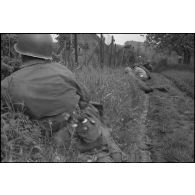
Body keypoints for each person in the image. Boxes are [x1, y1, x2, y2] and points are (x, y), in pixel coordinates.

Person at [1, 34, 124, 162]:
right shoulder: (62, 70)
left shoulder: (7, 84)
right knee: (93, 113)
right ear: (48, 53)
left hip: (51, 137)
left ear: (21, 54)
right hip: (80, 125)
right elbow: (85, 99)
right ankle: (114, 151)